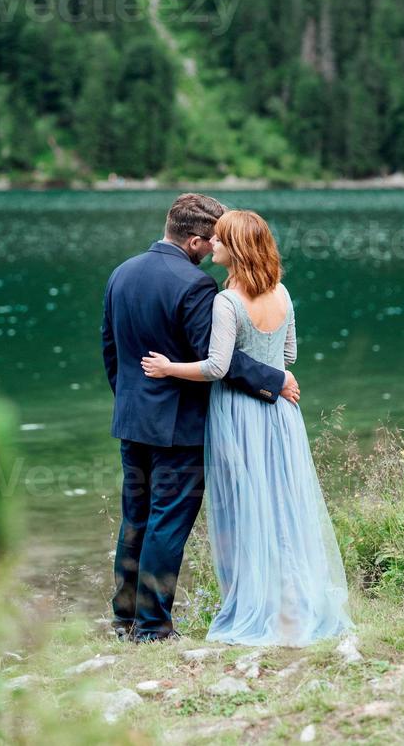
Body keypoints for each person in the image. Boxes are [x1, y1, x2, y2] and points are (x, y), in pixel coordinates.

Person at [142, 209, 353, 646]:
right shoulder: (283, 293)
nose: (211, 243)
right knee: (282, 505)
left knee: (245, 507)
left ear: (235, 248)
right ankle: (292, 605)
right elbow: (289, 356)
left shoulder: (227, 302)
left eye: (219, 239)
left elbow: (218, 367)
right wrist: (269, 362)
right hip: (281, 414)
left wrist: (168, 368)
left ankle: (256, 607)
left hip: (238, 414)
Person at [101, 194, 301, 642]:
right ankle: (153, 627)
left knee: (136, 518)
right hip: (179, 427)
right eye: (210, 240)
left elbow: (111, 351)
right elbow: (220, 361)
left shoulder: (121, 272)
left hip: (133, 420)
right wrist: (276, 380)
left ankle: (124, 618)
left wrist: (133, 402)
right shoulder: (195, 286)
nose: (214, 248)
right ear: (194, 240)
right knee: (168, 522)